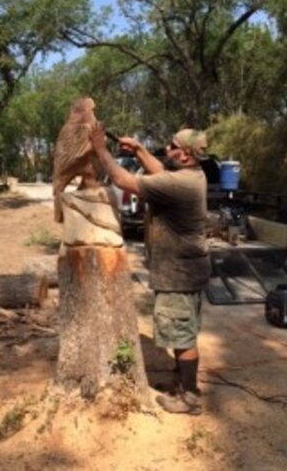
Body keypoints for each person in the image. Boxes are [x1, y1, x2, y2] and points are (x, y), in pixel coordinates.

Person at [89, 125, 210, 415]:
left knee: (181, 336)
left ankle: (189, 397)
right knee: (184, 331)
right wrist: (140, 150)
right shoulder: (191, 174)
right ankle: (183, 381)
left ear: (184, 155)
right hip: (188, 269)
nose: (166, 149)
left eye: (171, 146)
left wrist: (100, 148)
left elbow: (123, 181)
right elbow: (158, 172)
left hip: (178, 274)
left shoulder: (180, 186)